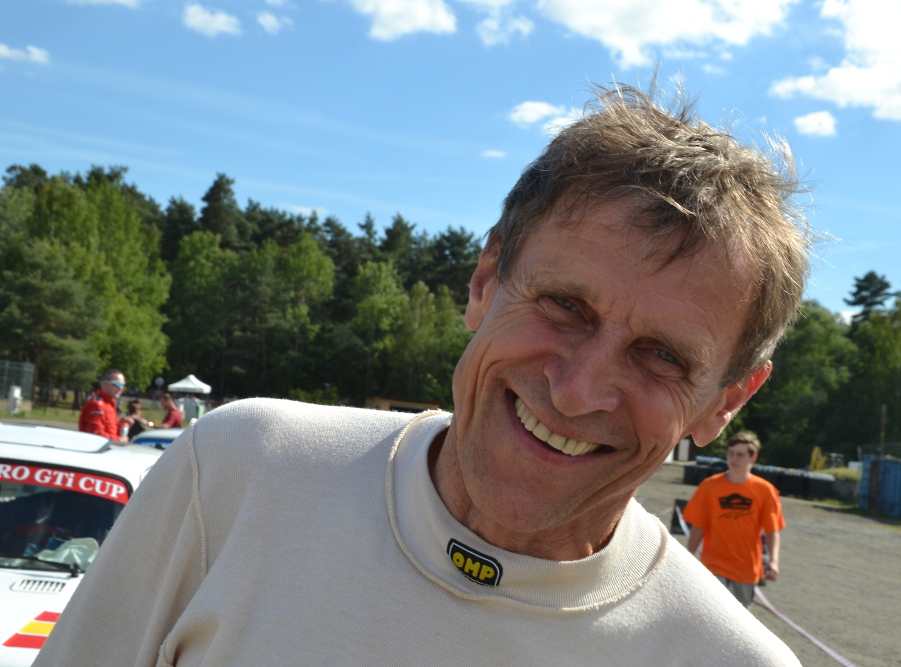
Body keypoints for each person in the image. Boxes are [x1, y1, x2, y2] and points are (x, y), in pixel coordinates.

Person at [37, 85, 809, 666]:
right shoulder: (239, 472)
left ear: (725, 402)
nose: (577, 392)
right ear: (485, 279)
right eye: (565, 305)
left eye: (662, 356)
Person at [683, 431, 785, 608]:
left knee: (738, 618)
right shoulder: (709, 487)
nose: (734, 459)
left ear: (753, 458)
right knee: (712, 612)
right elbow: (698, 526)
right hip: (713, 566)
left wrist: (774, 561)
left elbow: (772, 530)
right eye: (731, 453)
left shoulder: (765, 491)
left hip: (746, 569)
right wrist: (688, 557)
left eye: (740, 455)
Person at [77, 369, 128, 443]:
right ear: (103, 384)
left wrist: (122, 424)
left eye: (123, 385)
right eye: (117, 384)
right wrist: (119, 439)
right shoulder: (97, 405)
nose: (120, 388)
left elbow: (110, 429)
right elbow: (95, 435)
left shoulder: (109, 404)